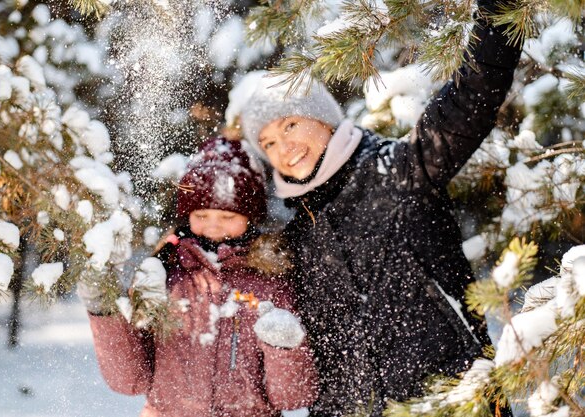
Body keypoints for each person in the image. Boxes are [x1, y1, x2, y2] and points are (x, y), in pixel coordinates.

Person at [234, 2, 523, 416]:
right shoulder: (297, 235)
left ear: (324, 119)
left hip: (452, 401)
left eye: (290, 125)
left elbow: (470, 99)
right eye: (270, 143)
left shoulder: (401, 170)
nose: (285, 149)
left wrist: (500, 16)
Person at [79, 137, 318, 417]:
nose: (214, 225)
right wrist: (104, 313)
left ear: (251, 216)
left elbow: (294, 397)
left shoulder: (271, 285)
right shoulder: (163, 274)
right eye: (201, 214)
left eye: (228, 216)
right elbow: (130, 380)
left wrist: (284, 347)